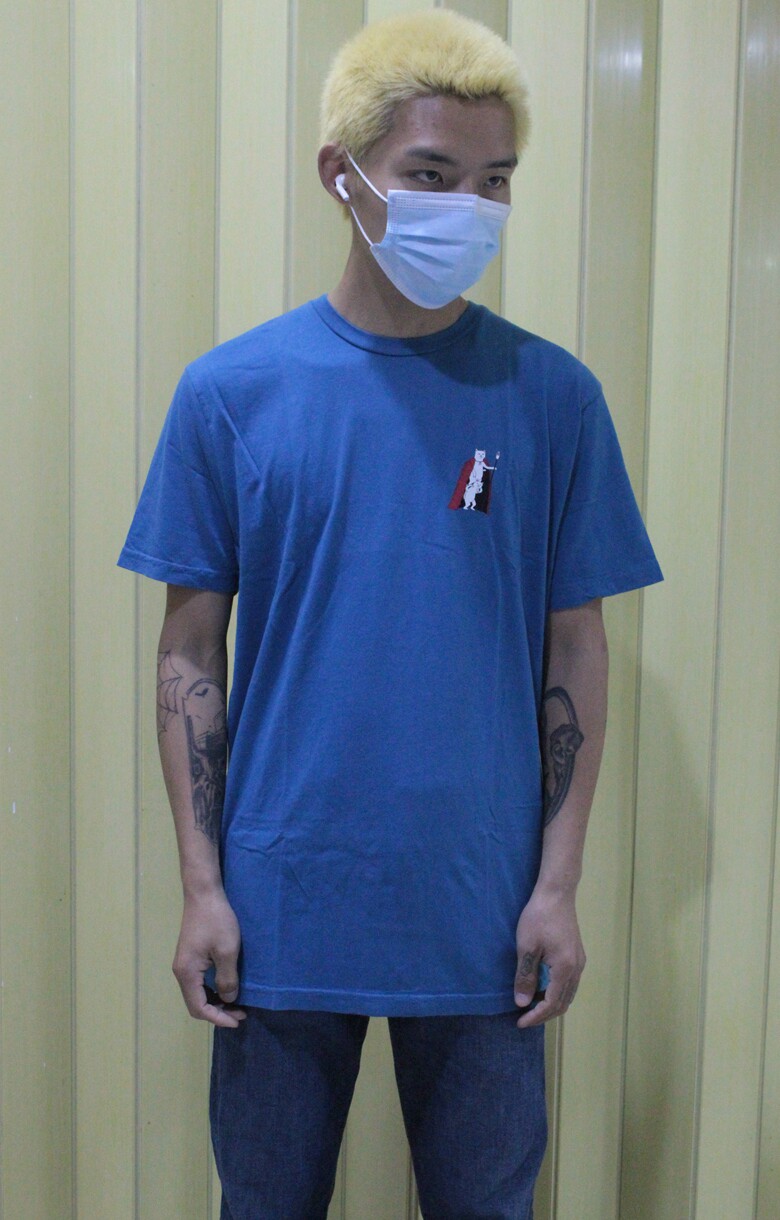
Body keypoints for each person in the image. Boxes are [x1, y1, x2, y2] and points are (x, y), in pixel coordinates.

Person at [119, 10, 662, 1219]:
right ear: (343, 174)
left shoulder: (553, 398)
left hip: (484, 916)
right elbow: (190, 650)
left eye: (494, 180)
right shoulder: (232, 395)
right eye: (431, 173)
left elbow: (577, 646)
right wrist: (203, 886)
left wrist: (558, 884)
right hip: (280, 907)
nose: (467, 207)